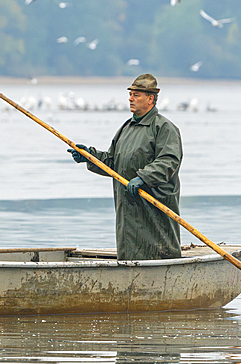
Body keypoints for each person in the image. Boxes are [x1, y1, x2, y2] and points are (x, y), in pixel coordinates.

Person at [68, 74, 182, 261]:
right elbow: (113, 163)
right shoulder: (126, 128)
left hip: (153, 210)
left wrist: (143, 178)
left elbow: (168, 162)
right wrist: (89, 156)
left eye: (136, 95)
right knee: (129, 251)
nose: (130, 98)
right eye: (131, 94)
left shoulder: (164, 128)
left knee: (157, 252)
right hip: (127, 211)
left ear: (150, 99)